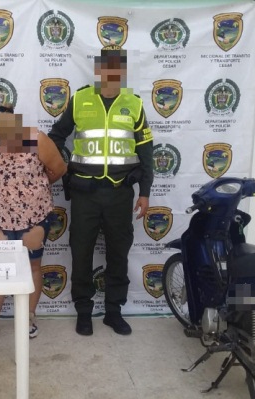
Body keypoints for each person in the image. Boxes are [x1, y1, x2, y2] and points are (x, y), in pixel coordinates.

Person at [48, 46, 154, 336]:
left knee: (119, 253)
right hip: (86, 193)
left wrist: (145, 192)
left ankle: (113, 312)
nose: (112, 73)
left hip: (120, 193)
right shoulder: (80, 99)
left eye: (117, 68)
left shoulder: (134, 104)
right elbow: (56, 137)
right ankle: (84, 311)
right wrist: (61, 168)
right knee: (81, 252)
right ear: (98, 70)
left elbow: (146, 151)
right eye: (106, 68)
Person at [0, 104, 67, 342]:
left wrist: (34, 189)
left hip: (34, 217)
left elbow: (58, 169)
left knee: (33, 266)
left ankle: (28, 316)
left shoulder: (37, 139)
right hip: (0, 218)